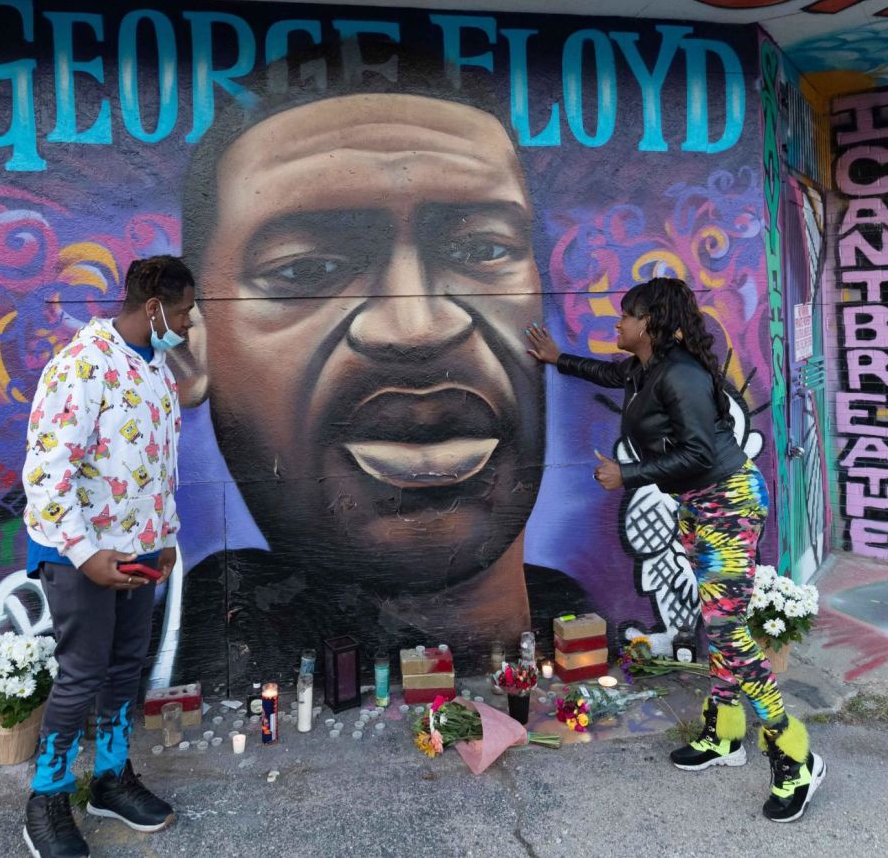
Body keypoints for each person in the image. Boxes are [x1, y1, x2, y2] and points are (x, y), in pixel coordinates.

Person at [174, 79, 590, 686]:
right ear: (191, 350)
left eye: (481, 249)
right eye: (307, 268)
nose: (417, 327)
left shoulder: (583, 620)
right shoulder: (180, 647)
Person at [526, 276, 826, 823]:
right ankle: (725, 734)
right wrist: (557, 358)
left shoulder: (681, 375)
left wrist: (630, 474)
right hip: (700, 506)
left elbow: (697, 452)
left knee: (730, 633)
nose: (617, 324)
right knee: (719, 625)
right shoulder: (644, 368)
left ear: (650, 324)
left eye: (626, 316)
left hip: (728, 504)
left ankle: (794, 755)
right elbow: (609, 372)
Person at [19, 256, 196, 857]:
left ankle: (110, 780)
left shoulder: (157, 372)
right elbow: (46, 474)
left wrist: (165, 535)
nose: (188, 326)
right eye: (183, 313)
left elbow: (161, 466)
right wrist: (83, 553)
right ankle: (46, 797)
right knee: (82, 673)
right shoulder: (81, 366)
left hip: (140, 550)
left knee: (126, 667)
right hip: (79, 556)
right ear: (154, 308)